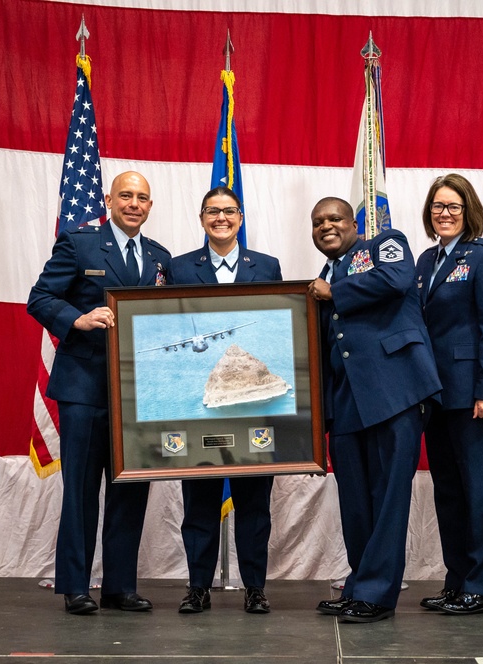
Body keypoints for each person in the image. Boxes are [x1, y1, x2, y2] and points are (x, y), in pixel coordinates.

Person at [27, 171, 171, 615]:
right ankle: (75, 585)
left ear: (150, 206)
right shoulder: (79, 243)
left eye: (142, 198)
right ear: (108, 199)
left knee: (130, 490)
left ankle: (120, 587)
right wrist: (77, 319)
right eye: (125, 195)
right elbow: (40, 297)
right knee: (82, 492)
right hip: (85, 389)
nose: (134, 203)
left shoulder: (160, 257)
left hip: (138, 394)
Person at [307, 197, 442, 624]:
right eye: (318, 223)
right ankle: (360, 585)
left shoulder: (385, 243)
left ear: (353, 223)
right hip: (347, 401)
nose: (326, 226)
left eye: (334, 219)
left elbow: (397, 278)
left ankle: (377, 595)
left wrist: (336, 292)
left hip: (395, 390)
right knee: (356, 501)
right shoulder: (321, 277)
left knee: (386, 500)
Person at [169, 186, 282, 615]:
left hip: (254, 406)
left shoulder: (267, 267)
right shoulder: (179, 268)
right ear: (201, 218)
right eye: (213, 212)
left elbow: (275, 326)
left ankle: (254, 586)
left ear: (240, 217)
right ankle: (198, 587)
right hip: (200, 406)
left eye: (229, 211)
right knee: (199, 500)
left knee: (255, 502)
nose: (221, 218)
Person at [413, 174, 483, 615]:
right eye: (437, 206)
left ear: (468, 209)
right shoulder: (423, 261)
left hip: (475, 396)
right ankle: (457, 581)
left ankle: (482, 586)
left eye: (453, 206)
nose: (445, 213)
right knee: (449, 493)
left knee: (480, 491)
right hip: (435, 395)